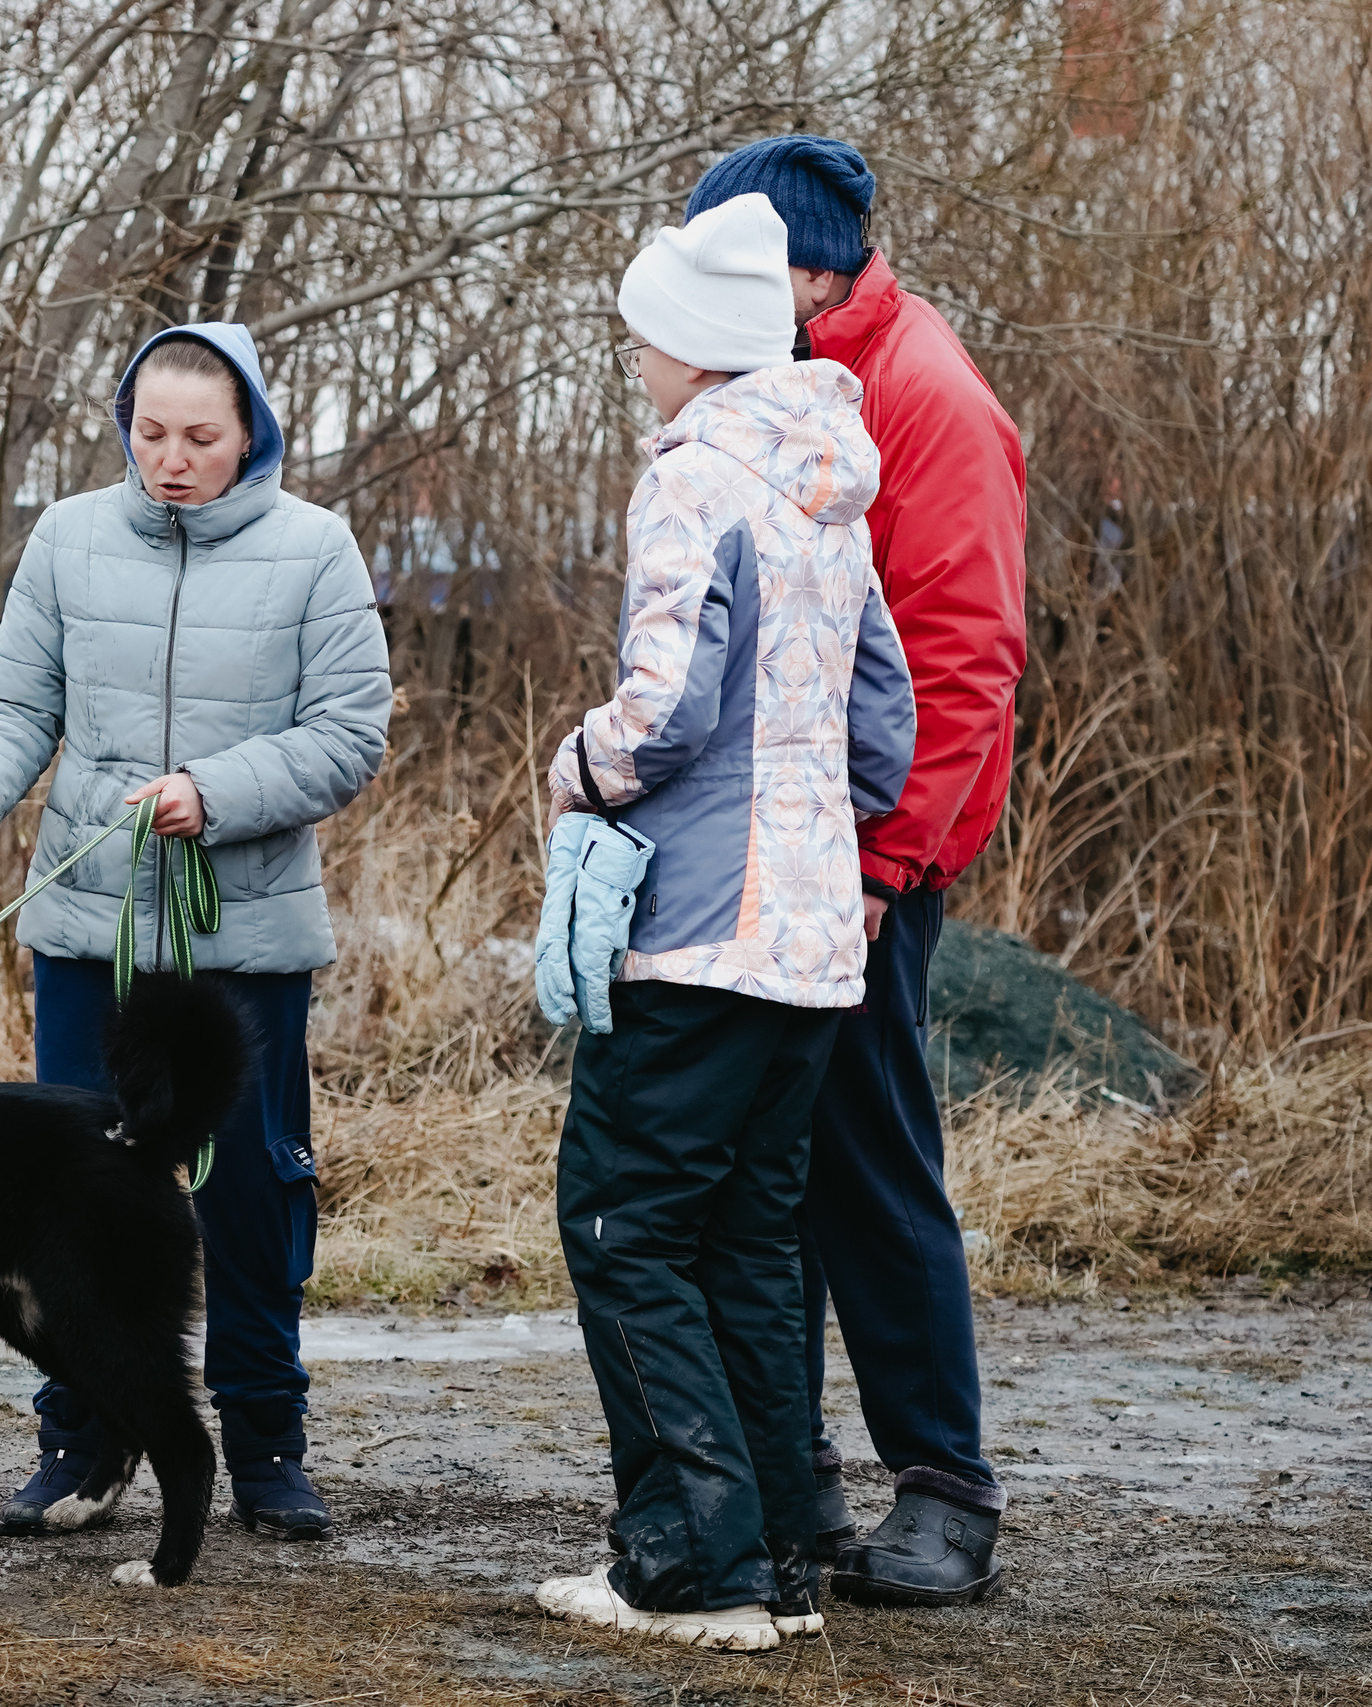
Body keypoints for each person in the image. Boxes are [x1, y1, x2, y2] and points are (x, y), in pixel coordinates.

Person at [0, 323, 391, 1543]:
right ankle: (85, 1445)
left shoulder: (315, 550)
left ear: (251, 432)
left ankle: (266, 1446)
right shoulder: (67, 536)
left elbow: (348, 734)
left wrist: (213, 792)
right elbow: (18, 704)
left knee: (250, 1198)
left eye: (200, 438)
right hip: (86, 936)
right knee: (67, 1204)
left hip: (245, 948)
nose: (171, 460)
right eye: (150, 435)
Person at [532, 191, 916, 1652]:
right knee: (749, 1239)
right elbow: (882, 721)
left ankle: (691, 1563)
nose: (633, 356)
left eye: (642, 336)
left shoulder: (697, 475)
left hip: (697, 930)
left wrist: (577, 763)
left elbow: (669, 704)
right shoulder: (831, 480)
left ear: (692, 344)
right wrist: (821, 822)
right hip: (814, 942)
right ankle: (782, 1553)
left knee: (626, 1222)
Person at [683, 135, 1029, 1605]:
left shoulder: (928, 397)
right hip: (767, 842)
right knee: (770, 1160)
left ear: (803, 270)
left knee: (872, 1159)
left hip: (869, 854)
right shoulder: (783, 374)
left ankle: (943, 1484)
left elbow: (965, 664)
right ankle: (790, 1468)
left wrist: (890, 863)